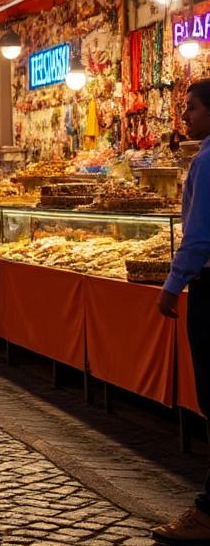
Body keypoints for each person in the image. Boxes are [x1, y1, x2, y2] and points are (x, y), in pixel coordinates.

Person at [153, 80, 210, 543]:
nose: (184, 116)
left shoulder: (206, 162)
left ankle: (208, 510)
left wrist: (172, 285)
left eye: (190, 108)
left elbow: (198, 235)